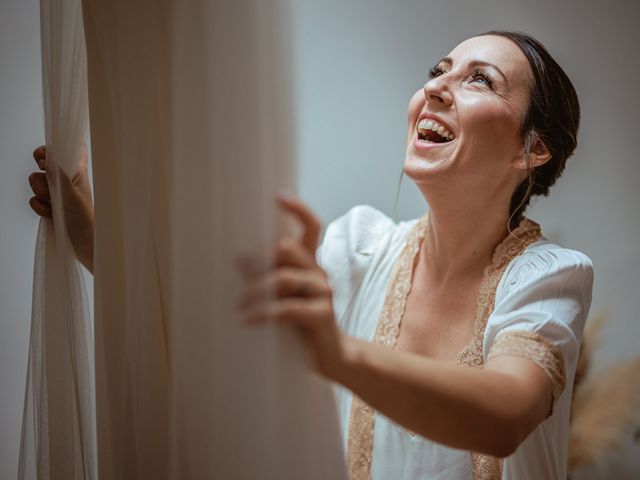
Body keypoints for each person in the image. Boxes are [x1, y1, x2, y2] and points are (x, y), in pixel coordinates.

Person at [28, 30, 593, 480]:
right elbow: (209, 311)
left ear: (533, 148)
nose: (437, 88)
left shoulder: (549, 277)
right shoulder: (360, 248)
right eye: (437, 71)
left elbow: (507, 416)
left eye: (480, 80)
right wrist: (90, 233)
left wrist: (335, 353)